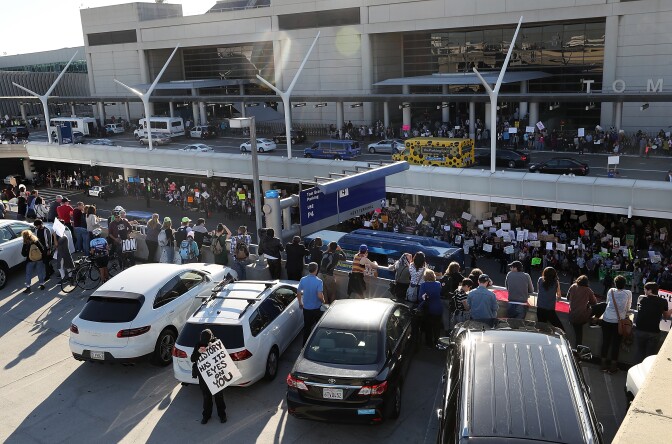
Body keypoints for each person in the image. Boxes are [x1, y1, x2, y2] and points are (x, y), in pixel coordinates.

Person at [190, 329, 227, 424]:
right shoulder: (199, 344)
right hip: (204, 377)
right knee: (206, 397)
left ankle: (222, 415)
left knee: (219, 397)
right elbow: (192, 359)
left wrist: (213, 348)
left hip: (215, 375)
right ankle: (206, 415)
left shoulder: (216, 343)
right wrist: (199, 352)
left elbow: (223, 357)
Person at [600, 275, 632, 374]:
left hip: (606, 319)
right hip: (618, 322)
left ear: (614, 283)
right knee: (616, 344)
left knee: (605, 342)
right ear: (624, 284)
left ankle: (603, 364)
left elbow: (607, 302)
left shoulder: (611, 291)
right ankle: (613, 366)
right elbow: (628, 307)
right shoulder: (628, 293)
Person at [634, 282, 672, 364]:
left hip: (640, 330)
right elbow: (666, 316)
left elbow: (639, 310)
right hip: (654, 332)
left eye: (645, 289)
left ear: (650, 290)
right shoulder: (663, 301)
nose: (644, 291)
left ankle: (636, 370)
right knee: (650, 355)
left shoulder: (641, 298)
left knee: (639, 351)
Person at [297, 262, 325, 344]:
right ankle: (318, 344)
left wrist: (300, 303)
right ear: (316, 270)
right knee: (318, 327)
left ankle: (304, 346)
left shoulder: (303, 279)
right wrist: (323, 301)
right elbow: (320, 295)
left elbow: (298, 293)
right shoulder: (319, 281)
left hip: (306, 309)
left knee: (307, 328)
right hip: (317, 308)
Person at [567, 275, 599, 346]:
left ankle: (576, 352)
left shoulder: (573, 286)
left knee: (578, 336)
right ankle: (594, 320)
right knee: (603, 305)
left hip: (572, 316)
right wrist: (586, 304)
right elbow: (594, 302)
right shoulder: (588, 290)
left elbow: (568, 297)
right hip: (582, 316)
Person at [418, 269, 443, 346]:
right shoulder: (438, 284)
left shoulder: (423, 285)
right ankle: (437, 342)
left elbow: (420, 298)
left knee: (428, 327)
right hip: (438, 308)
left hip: (428, 309)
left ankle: (429, 344)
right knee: (437, 327)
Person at [536, 267, 565, 331]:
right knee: (561, 329)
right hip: (550, 309)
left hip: (540, 307)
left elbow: (539, 291)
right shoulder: (555, 282)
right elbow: (559, 295)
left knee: (541, 328)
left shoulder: (540, 280)